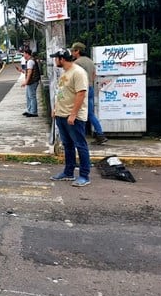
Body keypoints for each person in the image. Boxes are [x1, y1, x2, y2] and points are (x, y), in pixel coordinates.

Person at [49, 49, 91, 187]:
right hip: (62, 115)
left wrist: (73, 114)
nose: (55, 61)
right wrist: (55, 108)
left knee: (80, 145)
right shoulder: (65, 73)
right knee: (68, 145)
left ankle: (84, 176)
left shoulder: (78, 72)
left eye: (56, 58)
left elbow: (81, 93)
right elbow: (61, 92)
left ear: (62, 59)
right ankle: (68, 172)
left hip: (73, 117)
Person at [71, 42, 108, 145]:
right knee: (90, 114)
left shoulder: (77, 63)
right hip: (90, 87)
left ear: (77, 51)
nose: (72, 53)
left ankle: (78, 137)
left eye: (73, 51)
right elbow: (94, 75)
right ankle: (100, 134)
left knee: (78, 113)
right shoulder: (91, 61)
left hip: (81, 89)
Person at [20, 48, 41, 117]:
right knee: (28, 96)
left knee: (31, 96)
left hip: (32, 81)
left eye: (24, 54)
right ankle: (29, 110)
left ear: (27, 54)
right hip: (32, 81)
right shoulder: (30, 60)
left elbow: (29, 72)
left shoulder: (30, 61)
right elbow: (27, 72)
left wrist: (26, 82)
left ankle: (33, 112)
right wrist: (21, 71)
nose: (23, 55)